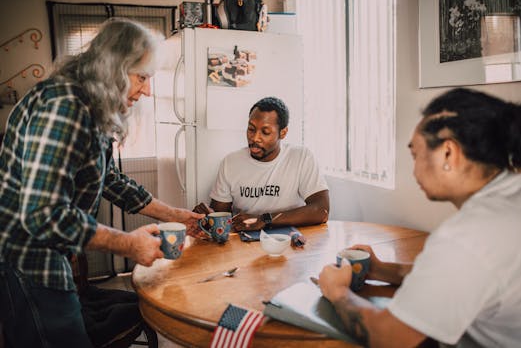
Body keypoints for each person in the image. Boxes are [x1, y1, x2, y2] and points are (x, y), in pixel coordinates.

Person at [0, 18, 204, 347]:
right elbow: (43, 214)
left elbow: (110, 180)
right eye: (142, 77)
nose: (148, 90)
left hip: (48, 255)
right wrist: (128, 243)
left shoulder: (91, 107)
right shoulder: (66, 108)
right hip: (27, 261)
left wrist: (177, 216)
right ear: (114, 69)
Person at [318, 88, 521, 347]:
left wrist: (337, 292)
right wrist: (382, 269)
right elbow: (463, 277)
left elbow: (389, 337)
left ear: (448, 153)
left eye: (415, 154)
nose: (413, 170)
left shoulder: (466, 236)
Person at [194, 96, 329, 232]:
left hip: (290, 243)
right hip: (244, 243)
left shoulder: (301, 157)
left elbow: (322, 210)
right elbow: (219, 214)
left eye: (265, 132)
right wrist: (207, 217)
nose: (255, 138)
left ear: (283, 133)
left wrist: (264, 220)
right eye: (251, 129)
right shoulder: (231, 162)